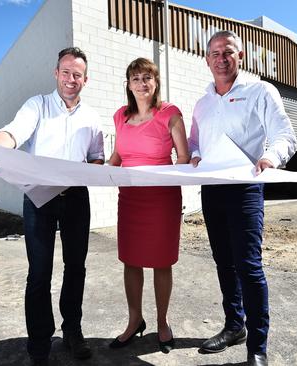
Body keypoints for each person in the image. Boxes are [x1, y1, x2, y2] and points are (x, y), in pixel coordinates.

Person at [0, 47, 104, 366]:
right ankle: (39, 345)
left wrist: (101, 168)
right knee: (39, 273)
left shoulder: (92, 117)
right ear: (56, 73)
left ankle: (73, 331)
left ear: (85, 80)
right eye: (66, 72)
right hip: (38, 198)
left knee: (76, 268)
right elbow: (12, 133)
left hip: (75, 198)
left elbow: (97, 157)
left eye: (77, 74)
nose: (71, 79)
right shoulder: (38, 105)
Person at [188, 31, 296, 366]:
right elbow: (195, 142)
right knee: (223, 262)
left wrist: (270, 158)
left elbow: (285, 135)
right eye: (215, 53)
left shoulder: (260, 91)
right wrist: (193, 155)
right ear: (206, 59)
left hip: (245, 188)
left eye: (228, 52)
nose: (221, 59)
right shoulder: (202, 103)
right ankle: (235, 326)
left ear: (241, 56)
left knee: (248, 267)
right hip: (212, 189)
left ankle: (257, 347)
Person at [107, 57, 189, 354]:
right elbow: (118, 155)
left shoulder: (170, 113)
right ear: (128, 85)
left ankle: (162, 322)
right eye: (135, 78)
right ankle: (134, 320)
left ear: (156, 82)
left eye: (147, 78)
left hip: (162, 199)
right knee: (131, 260)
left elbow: (182, 158)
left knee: (161, 261)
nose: (141, 84)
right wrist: (99, 171)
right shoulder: (120, 116)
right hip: (130, 198)